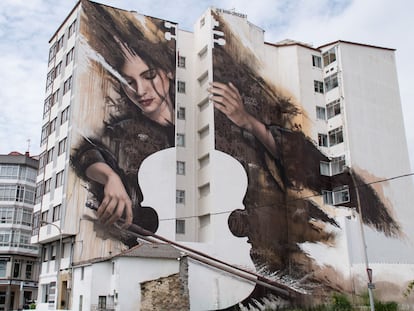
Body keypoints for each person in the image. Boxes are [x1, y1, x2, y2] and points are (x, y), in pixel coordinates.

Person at [71, 2, 176, 240]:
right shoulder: (121, 130)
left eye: (149, 76)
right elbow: (86, 152)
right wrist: (110, 176)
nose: (141, 90)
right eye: (129, 82)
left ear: (168, 72)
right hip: (141, 245)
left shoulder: (191, 126)